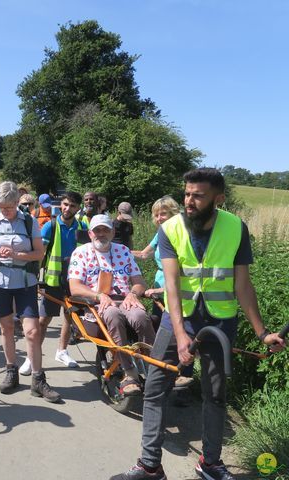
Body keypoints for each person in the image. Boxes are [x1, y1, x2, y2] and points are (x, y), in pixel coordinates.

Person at [111, 168, 286, 480]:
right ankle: (150, 465)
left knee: (216, 394)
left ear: (218, 199)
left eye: (198, 195)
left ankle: (210, 463)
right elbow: (173, 287)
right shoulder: (171, 229)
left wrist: (262, 333)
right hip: (178, 321)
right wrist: (179, 335)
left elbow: (243, 285)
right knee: (154, 389)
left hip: (221, 323)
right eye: (187, 194)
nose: (189, 201)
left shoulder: (236, 228)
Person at [0, 181, 61, 403]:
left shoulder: (29, 221)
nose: (4, 211)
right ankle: (11, 371)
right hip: (0, 283)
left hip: (25, 282)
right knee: (6, 329)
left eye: (8, 206)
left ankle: (38, 379)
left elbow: (38, 254)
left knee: (32, 331)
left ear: (17, 202)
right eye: (1, 206)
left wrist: (16, 254)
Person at [69, 214, 154, 396]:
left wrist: (133, 293)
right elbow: (75, 287)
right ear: (90, 233)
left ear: (113, 231)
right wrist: (98, 295)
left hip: (124, 298)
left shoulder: (123, 250)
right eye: (97, 230)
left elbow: (139, 282)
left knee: (140, 316)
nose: (101, 233)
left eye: (105, 230)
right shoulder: (81, 253)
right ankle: (129, 373)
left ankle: (155, 367)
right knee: (114, 315)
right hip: (96, 303)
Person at [20, 191, 85, 375]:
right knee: (43, 320)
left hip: (75, 283)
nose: (67, 208)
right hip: (53, 281)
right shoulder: (50, 226)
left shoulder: (82, 227)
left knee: (69, 318)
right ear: (60, 205)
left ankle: (62, 351)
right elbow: (40, 255)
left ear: (77, 208)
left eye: (72, 206)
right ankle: (31, 357)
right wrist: (31, 279)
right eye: (65, 204)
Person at [132, 195, 192, 389]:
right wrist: (118, 251)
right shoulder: (162, 232)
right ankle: (163, 376)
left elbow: (185, 272)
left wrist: (160, 289)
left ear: (174, 212)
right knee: (158, 330)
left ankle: (182, 378)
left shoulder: (183, 232)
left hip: (174, 290)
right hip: (159, 289)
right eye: (156, 215)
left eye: (163, 214)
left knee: (178, 333)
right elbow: (143, 253)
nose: (159, 218)